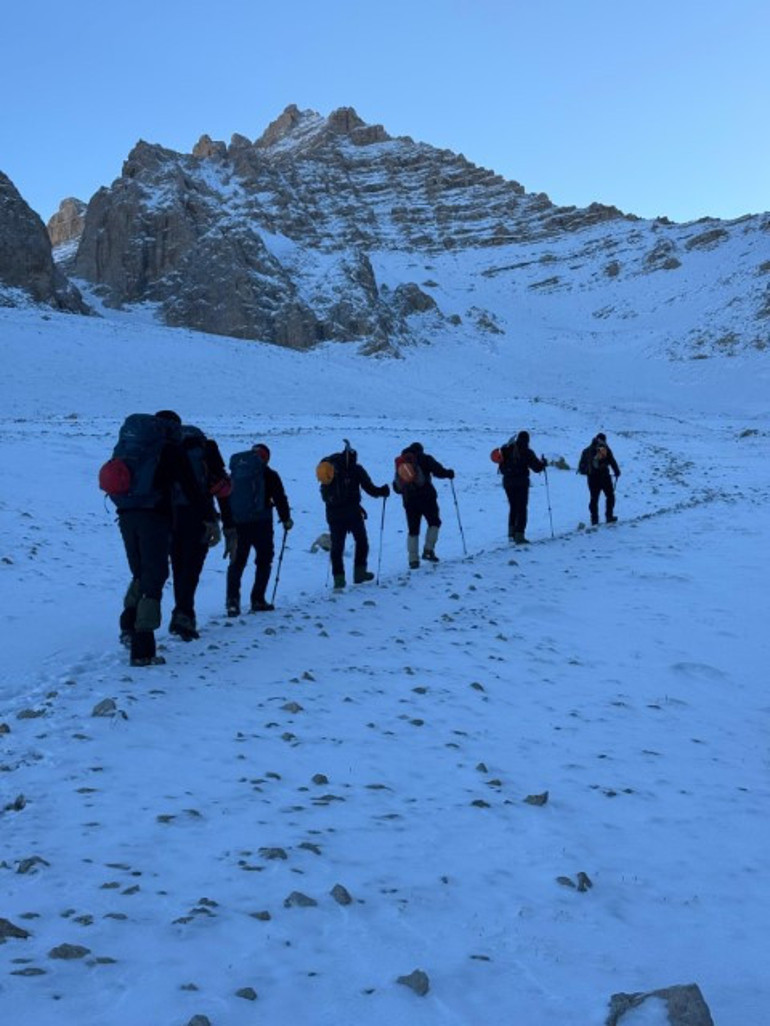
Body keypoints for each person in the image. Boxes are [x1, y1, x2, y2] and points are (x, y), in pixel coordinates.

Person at [106, 410, 217, 667]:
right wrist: (209, 517)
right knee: (154, 578)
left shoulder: (130, 445)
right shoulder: (169, 450)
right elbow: (191, 487)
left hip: (125, 514)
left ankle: (127, 626)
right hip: (155, 518)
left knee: (140, 573)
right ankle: (143, 651)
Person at [168, 423, 232, 641]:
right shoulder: (205, 451)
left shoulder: (168, 449)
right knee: (192, 567)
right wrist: (222, 522)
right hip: (199, 516)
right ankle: (184, 615)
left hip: (169, 516)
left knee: (178, 567)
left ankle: (182, 613)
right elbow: (222, 488)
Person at [224, 443, 293, 615]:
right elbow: (280, 498)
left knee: (237, 563)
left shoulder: (235, 475)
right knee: (264, 560)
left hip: (239, 523)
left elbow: (226, 498)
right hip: (262, 523)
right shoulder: (269, 474)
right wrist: (286, 519)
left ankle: (232, 602)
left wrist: (228, 523)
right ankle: (258, 600)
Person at [317, 440, 389, 589]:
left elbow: (326, 492)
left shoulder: (331, 468)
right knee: (361, 542)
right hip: (351, 513)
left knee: (338, 547)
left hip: (335, 514)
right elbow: (370, 488)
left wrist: (380, 491)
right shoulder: (355, 469)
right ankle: (359, 573)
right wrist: (382, 491)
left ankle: (339, 579)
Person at [392, 442, 454, 569]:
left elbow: (397, 487)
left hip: (409, 501)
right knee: (434, 522)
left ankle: (413, 560)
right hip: (427, 498)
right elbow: (439, 471)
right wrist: (449, 473)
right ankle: (428, 550)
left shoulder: (401, 463)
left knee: (413, 529)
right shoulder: (425, 458)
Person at [496, 431, 547, 543]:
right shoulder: (527, 451)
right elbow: (536, 468)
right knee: (522, 508)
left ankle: (511, 533)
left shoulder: (507, 449)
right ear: (527, 440)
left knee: (513, 507)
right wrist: (543, 463)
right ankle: (520, 535)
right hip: (521, 483)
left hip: (508, 482)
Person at [583, 432, 621, 525]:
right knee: (610, 496)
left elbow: (582, 466)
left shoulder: (587, 450)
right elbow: (612, 461)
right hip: (604, 477)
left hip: (591, 478)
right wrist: (617, 472)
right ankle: (609, 516)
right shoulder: (605, 448)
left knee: (594, 498)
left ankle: (594, 520)